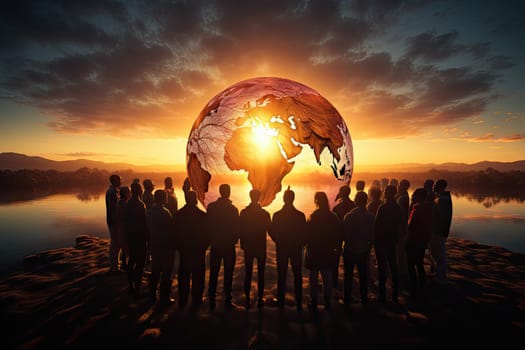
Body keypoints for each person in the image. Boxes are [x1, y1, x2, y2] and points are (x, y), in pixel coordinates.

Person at [269, 186, 306, 311]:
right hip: (295, 248)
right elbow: (304, 233)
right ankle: (299, 301)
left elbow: (272, 231)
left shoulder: (277, 215)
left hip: (282, 248)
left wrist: (278, 240)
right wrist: (300, 242)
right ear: (293, 199)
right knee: (297, 274)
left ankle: (280, 301)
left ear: (284, 199)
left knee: (282, 275)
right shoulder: (300, 215)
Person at [304, 192, 342, 310]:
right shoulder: (333, 217)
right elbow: (338, 235)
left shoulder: (313, 216)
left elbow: (307, 235)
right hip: (327, 251)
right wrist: (336, 249)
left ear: (317, 202)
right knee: (327, 277)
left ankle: (314, 300)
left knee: (314, 278)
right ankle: (327, 301)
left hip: (314, 251)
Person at [207, 184, 240, 310]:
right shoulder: (233, 209)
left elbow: (208, 225)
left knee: (214, 272)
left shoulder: (212, 207)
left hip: (216, 244)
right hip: (228, 246)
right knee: (228, 273)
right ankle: (227, 298)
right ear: (228, 193)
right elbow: (237, 228)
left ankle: (212, 298)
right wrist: (234, 239)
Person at [175, 190, 208, 308]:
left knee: (184, 275)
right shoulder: (202, 216)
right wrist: (204, 246)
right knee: (198, 276)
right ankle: (197, 299)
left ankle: (183, 298)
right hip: (198, 250)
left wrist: (179, 246)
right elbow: (207, 234)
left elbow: (175, 233)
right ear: (195, 200)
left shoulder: (179, 215)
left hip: (184, 250)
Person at [240, 189, 271, 308]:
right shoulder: (264, 214)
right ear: (258, 198)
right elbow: (270, 229)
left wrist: (242, 243)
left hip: (248, 246)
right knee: (261, 273)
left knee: (248, 272)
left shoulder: (244, 213)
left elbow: (241, 229)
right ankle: (260, 298)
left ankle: (247, 297)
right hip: (260, 246)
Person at [342, 191, 374, 307]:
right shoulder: (370, 217)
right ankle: (364, 299)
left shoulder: (349, 216)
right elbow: (372, 235)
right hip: (364, 250)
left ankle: (347, 300)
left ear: (356, 201)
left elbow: (344, 235)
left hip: (350, 249)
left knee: (348, 276)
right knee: (363, 275)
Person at [147, 189, 176, 306]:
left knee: (155, 270)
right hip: (165, 246)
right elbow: (170, 231)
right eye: (166, 196)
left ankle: (152, 294)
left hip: (154, 244)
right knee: (166, 272)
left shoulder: (149, 212)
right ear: (163, 199)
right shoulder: (165, 213)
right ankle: (165, 297)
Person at [374, 185, 402, 303]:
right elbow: (399, 225)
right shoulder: (397, 207)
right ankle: (395, 294)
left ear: (391, 193)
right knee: (393, 266)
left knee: (382, 268)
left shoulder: (383, 207)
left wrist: (374, 240)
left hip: (382, 241)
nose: (384, 192)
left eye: (385, 191)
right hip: (392, 241)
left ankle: (382, 295)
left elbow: (377, 226)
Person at [406, 188, 432, 299]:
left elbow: (411, 226)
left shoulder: (417, 208)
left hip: (414, 241)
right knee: (419, 264)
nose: (412, 196)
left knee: (411, 265)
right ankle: (421, 287)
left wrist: (406, 239)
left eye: (414, 195)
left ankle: (414, 290)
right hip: (422, 241)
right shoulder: (428, 208)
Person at [125, 183, 149, 297]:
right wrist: (147, 237)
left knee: (131, 261)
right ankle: (137, 288)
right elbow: (143, 223)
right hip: (139, 237)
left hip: (130, 236)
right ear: (139, 191)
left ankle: (131, 286)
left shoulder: (128, 203)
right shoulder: (140, 205)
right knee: (140, 264)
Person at [332, 185, 355, 288]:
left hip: (337, 236)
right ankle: (348, 283)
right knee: (349, 261)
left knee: (335, 259)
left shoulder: (337, 208)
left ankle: (334, 282)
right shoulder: (353, 206)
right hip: (350, 235)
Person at [431, 179, 453, 285]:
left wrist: (440, 230)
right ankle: (439, 275)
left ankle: (442, 279)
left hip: (439, 231)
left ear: (440, 186)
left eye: (435, 185)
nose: (433, 187)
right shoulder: (441, 197)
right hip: (438, 231)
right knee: (437, 254)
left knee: (440, 255)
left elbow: (442, 217)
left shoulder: (443, 199)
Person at [396, 179, 411, 289]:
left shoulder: (403, 197)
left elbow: (401, 213)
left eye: (400, 184)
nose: (398, 185)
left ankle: (402, 271)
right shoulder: (403, 195)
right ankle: (401, 270)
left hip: (401, 226)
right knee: (399, 249)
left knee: (400, 249)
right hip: (402, 225)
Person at [106, 174, 121, 272]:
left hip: (113, 220)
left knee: (116, 242)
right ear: (115, 181)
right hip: (114, 221)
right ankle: (114, 267)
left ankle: (116, 265)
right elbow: (113, 208)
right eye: (119, 180)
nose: (121, 181)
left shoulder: (112, 190)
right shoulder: (112, 192)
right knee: (115, 243)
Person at [115, 186, 131, 271]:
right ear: (125, 193)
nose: (130, 193)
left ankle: (124, 265)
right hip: (123, 227)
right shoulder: (123, 203)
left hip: (122, 226)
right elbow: (124, 216)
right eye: (129, 192)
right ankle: (125, 266)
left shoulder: (122, 202)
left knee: (124, 246)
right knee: (125, 246)